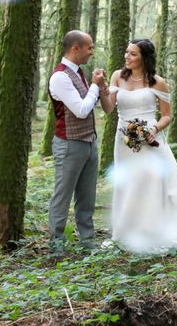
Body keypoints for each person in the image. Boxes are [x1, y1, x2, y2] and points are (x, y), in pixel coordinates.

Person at [104, 38, 177, 253]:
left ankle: (154, 228)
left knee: (151, 182)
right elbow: (109, 108)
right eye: (126, 52)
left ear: (144, 57)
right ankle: (127, 229)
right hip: (124, 140)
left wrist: (154, 130)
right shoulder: (117, 77)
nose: (127, 57)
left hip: (150, 138)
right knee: (128, 182)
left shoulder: (158, 82)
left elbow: (167, 116)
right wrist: (102, 90)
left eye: (133, 54)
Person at [47, 30, 113, 254]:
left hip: (89, 143)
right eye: (89, 48)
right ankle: (57, 247)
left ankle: (87, 243)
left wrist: (99, 86)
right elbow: (82, 110)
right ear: (76, 48)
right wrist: (95, 85)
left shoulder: (80, 73)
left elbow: (94, 104)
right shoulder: (59, 77)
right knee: (62, 196)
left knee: (87, 197)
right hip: (69, 144)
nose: (91, 52)